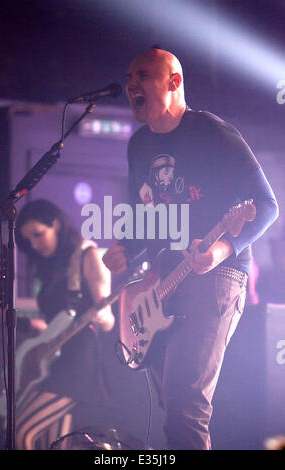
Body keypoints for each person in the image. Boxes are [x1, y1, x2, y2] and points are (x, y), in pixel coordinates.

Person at [102, 48, 279, 450]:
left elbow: (267, 206)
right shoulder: (139, 145)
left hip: (219, 274)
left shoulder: (212, 133)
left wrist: (222, 249)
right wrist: (126, 249)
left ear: (174, 81)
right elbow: (144, 217)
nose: (132, 85)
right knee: (171, 402)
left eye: (143, 75)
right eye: (129, 78)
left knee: (186, 404)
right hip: (166, 276)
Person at [14, 199, 114, 450]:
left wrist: (100, 315)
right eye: (29, 241)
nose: (35, 245)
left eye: (38, 235)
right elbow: (55, 327)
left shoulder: (87, 255)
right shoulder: (50, 267)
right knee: (55, 445)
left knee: (22, 431)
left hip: (79, 362)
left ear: (56, 224)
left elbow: (108, 319)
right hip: (54, 362)